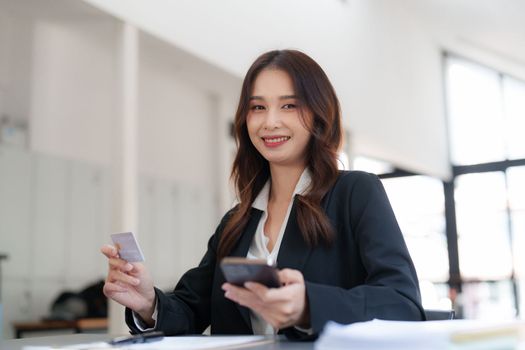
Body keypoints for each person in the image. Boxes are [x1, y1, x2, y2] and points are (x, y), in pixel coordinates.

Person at [101, 49, 425, 340]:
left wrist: (308, 306)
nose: (270, 122)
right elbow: (192, 309)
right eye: (258, 107)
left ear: (318, 114)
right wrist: (148, 303)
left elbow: (402, 303)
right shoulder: (236, 221)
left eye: (289, 105)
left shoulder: (356, 193)